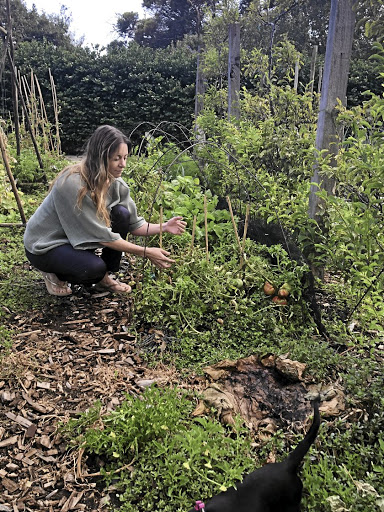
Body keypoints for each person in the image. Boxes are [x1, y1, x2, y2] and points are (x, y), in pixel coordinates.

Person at [24, 125, 186, 297]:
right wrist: (145, 252)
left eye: (125, 158)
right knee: (92, 269)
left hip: (76, 239)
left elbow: (134, 225)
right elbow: (102, 237)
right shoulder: (72, 184)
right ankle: (54, 273)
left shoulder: (116, 184)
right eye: (117, 158)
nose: (123, 164)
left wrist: (165, 226)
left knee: (121, 214)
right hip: (46, 245)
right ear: (100, 157)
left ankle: (104, 278)